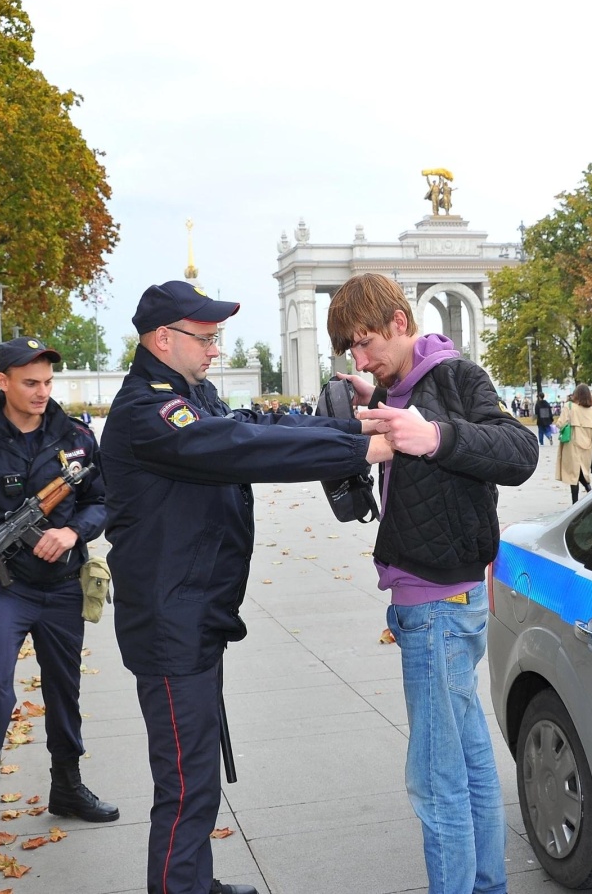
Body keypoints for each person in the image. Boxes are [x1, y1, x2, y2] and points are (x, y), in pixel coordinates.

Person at [101, 280, 393, 894]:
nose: (213, 350)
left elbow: (258, 425)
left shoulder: (193, 395)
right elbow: (240, 447)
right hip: (170, 621)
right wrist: (361, 448)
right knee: (183, 784)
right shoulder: (146, 412)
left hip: (195, 613)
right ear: (162, 339)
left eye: (216, 337)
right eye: (204, 338)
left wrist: (348, 428)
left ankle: (196, 885)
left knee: (197, 773)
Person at [327, 273, 537, 894]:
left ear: (399, 322)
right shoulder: (406, 384)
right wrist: (377, 396)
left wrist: (434, 437)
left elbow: (520, 452)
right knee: (470, 764)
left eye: (366, 344)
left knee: (435, 778)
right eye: (351, 352)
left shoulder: (456, 375)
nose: (361, 360)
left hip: (439, 603)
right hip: (444, 599)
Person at [0, 336, 116, 864]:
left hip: (61, 588)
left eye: (47, 382)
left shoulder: (76, 438)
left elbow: (104, 503)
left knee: (64, 690)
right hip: (6, 588)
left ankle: (68, 787)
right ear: (2, 382)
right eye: (30, 382)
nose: (40, 391)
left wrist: (73, 532)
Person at [554, 384, 592, 503]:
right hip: (587, 445)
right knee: (582, 471)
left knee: (574, 474)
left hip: (572, 444)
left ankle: (575, 502)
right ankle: (589, 491)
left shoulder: (569, 407)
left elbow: (560, 423)